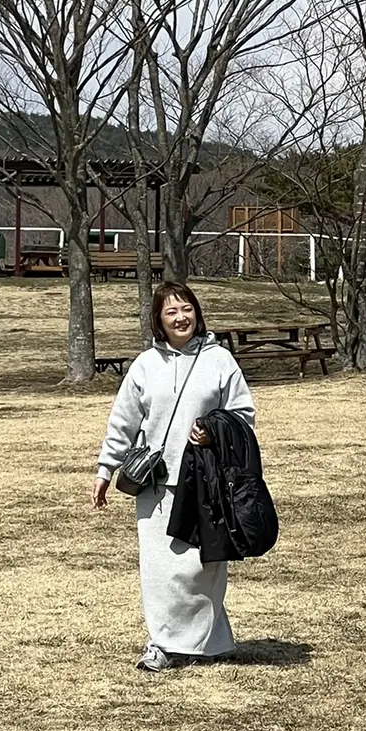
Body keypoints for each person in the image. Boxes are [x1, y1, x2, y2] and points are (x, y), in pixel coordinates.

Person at [91, 281, 255, 672]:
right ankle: (162, 644)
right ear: (159, 321)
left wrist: (213, 431)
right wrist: (105, 469)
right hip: (156, 483)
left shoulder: (220, 360)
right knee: (160, 569)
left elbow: (243, 415)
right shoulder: (145, 365)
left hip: (207, 481)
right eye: (171, 312)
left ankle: (208, 641)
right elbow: (123, 422)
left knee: (202, 567)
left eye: (187, 309)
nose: (181, 318)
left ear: (197, 313)